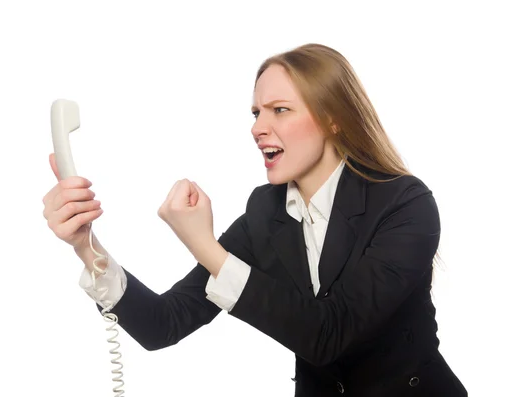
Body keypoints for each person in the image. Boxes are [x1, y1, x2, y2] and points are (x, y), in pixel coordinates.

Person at [42, 43, 467, 396]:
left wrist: (205, 247)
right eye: (255, 113)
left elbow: (329, 333)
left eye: (279, 110)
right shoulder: (266, 212)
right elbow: (162, 323)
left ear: (334, 118)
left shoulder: (404, 203)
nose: (258, 127)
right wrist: (86, 246)